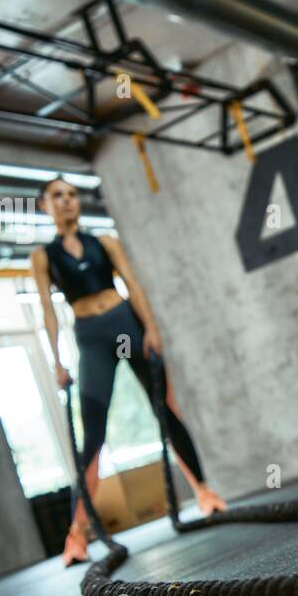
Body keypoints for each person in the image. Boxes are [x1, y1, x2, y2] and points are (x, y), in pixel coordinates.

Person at [30, 176, 227, 566]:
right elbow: (47, 310)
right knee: (93, 436)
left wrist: (151, 328)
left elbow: (133, 284)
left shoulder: (104, 242)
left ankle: (204, 492)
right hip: (90, 336)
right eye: (58, 196)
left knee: (165, 410)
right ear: (44, 206)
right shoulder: (43, 256)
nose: (67, 201)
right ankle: (77, 535)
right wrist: (56, 360)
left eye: (71, 195)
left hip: (125, 323)